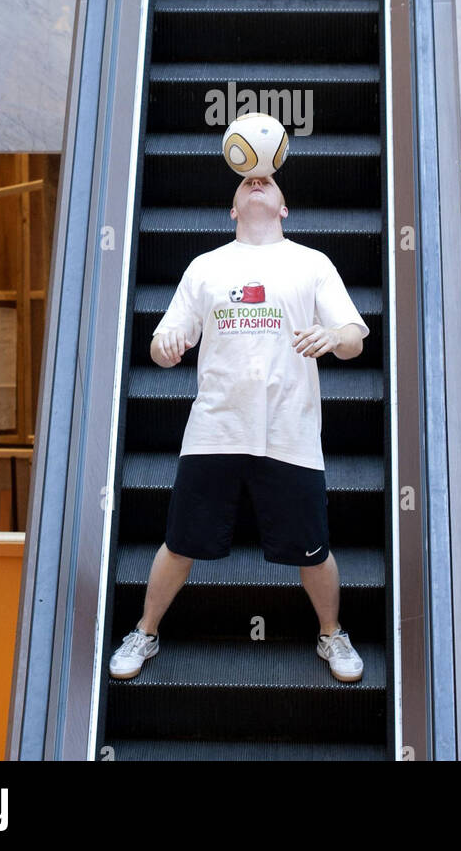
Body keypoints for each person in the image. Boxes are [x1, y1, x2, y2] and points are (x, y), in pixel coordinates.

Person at [108, 172, 370, 685]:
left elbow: (354, 339)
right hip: (215, 429)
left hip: (289, 432)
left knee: (313, 551)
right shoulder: (206, 267)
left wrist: (332, 334)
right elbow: (165, 341)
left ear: (284, 207)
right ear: (231, 209)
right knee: (180, 544)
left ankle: (332, 634)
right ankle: (145, 630)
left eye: (268, 180)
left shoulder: (311, 263)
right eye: (247, 179)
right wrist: (164, 348)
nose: (257, 181)